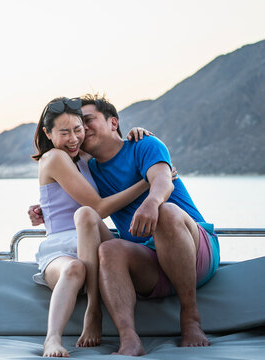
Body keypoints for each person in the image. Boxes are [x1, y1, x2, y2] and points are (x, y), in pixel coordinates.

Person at [76, 94, 220, 356]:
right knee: (108, 250)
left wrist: (152, 202)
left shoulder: (144, 144)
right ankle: (129, 338)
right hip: (149, 267)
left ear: (112, 122)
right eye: (78, 124)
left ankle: (190, 319)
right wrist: (41, 211)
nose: (83, 129)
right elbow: (76, 201)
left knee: (165, 212)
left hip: (194, 249)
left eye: (88, 120)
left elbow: (164, 179)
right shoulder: (89, 170)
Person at [31, 96, 155, 358]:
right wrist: (145, 184)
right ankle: (53, 338)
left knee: (86, 216)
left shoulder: (83, 156)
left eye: (78, 129)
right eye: (64, 132)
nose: (74, 138)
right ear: (48, 133)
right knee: (76, 260)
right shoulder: (54, 157)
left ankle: (95, 308)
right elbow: (98, 207)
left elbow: (113, 146)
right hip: (61, 249)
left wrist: (136, 133)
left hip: (92, 242)